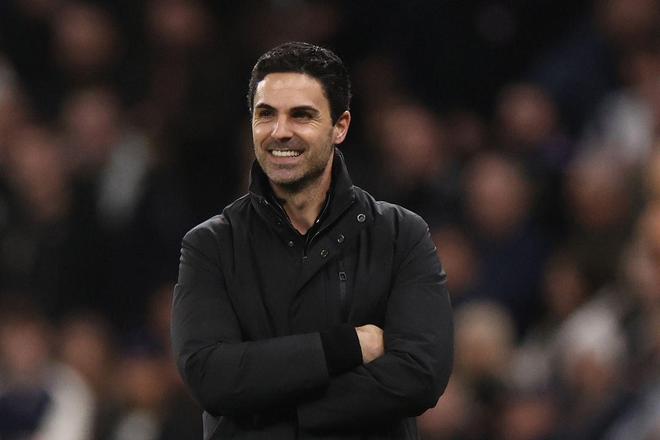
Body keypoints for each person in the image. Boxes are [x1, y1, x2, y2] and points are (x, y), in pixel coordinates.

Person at [171, 41, 453, 439]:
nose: (280, 132)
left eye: (301, 115)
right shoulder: (210, 245)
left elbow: (419, 375)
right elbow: (210, 377)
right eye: (266, 114)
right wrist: (347, 347)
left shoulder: (400, 234)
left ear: (341, 126)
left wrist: (275, 416)